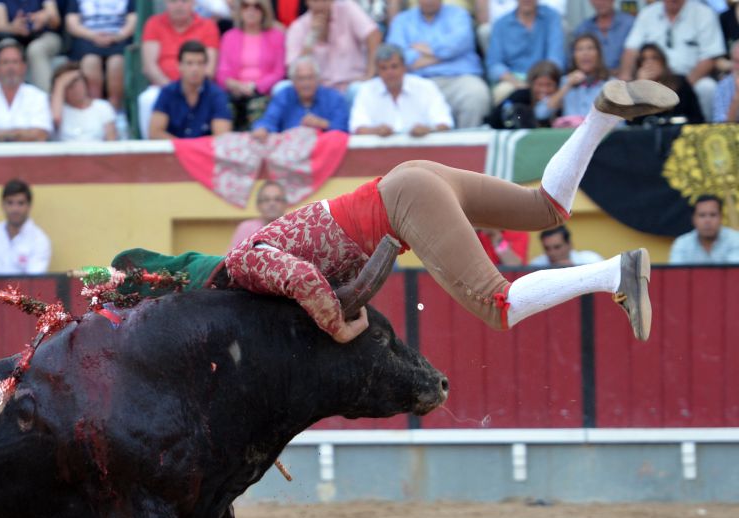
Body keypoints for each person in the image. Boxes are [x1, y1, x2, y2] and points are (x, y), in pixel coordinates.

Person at [223, 78, 678, 344]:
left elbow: (306, 282)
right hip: (409, 182)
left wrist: (338, 327)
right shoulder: (263, 268)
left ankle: (613, 273)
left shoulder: (240, 264)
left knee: (500, 305)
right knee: (546, 208)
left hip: (404, 203)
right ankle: (601, 114)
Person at [385, 0, 490, 129]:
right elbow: (398, 55)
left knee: (476, 93)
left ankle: (468, 146)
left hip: (456, 79)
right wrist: (445, 55)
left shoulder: (459, 14)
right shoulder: (401, 20)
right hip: (416, 81)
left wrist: (424, 51)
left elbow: (459, 43)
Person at [618, 0, 725, 123]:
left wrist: (682, 87)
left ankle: (704, 134)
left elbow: (710, 56)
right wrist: (626, 79)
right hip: (651, 79)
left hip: (691, 79)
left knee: (707, 87)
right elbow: (631, 50)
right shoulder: (648, 13)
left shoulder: (704, 13)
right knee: (619, 89)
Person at [137, 0, 219, 141]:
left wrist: (186, 89)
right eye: (174, 1)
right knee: (146, 99)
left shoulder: (208, 26)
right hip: (163, 87)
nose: (179, 6)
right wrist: (173, 90)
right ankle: (150, 152)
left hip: (199, 88)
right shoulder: (154, 23)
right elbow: (149, 66)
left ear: (193, 3)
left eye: (184, 1)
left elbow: (209, 69)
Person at [349, 44, 454, 136]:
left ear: (404, 67)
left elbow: (445, 124)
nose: (389, 72)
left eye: (394, 67)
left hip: (422, 154)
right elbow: (357, 127)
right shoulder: (366, 90)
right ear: (377, 71)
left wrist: (427, 130)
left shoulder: (426, 87)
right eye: (383, 68)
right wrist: (375, 131)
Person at [214, 0, 285, 131]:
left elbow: (279, 72)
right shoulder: (229, 37)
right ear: (240, 10)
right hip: (235, 91)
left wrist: (255, 86)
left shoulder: (276, 36)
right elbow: (222, 72)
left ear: (264, 11)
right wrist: (234, 84)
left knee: (257, 106)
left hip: (263, 92)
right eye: (246, 6)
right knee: (223, 106)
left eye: (257, 6)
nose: (251, 11)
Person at [284, 0, 381, 93]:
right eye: (315, 0)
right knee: (282, 87)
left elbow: (373, 35)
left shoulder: (347, 9)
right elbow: (293, 69)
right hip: (316, 91)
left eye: (324, 0)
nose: (320, 5)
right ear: (306, 1)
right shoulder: (298, 27)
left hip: (350, 85)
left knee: (359, 89)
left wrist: (370, 73)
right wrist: (311, 39)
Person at [0, 39, 52, 142]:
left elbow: (40, 135)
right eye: (5, 62)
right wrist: (21, 133)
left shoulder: (38, 97)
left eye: (15, 62)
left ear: (24, 66)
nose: (10, 68)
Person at [486, 0, 565, 105]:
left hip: (545, 77)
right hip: (513, 79)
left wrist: (540, 82)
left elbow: (556, 58)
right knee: (502, 92)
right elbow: (494, 64)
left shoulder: (552, 17)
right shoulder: (501, 24)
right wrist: (517, 83)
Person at [0, 178, 52, 276]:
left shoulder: (39, 240)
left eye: (20, 203)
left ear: (29, 206)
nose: (15, 209)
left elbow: (32, 283)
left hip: (23, 291)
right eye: (10, 203)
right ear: (2, 205)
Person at [250, 55, 349, 137]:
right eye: (300, 79)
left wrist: (323, 124)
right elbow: (269, 120)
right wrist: (263, 129)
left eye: (310, 78)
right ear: (292, 81)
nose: (306, 83)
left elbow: (343, 128)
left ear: (318, 79)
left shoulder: (333, 98)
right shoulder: (284, 96)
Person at [149, 39, 231, 139]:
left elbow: (221, 136)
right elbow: (155, 133)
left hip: (204, 153)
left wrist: (189, 150)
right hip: (174, 153)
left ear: (205, 66)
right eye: (189, 63)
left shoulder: (217, 95)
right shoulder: (168, 92)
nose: (195, 69)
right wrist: (185, 149)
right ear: (179, 66)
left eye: (200, 63)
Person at [64, 0, 136, 111]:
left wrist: (117, 36)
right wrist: (93, 36)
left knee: (117, 63)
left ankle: (115, 111)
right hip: (87, 38)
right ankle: (96, 111)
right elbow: (71, 23)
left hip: (118, 39)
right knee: (90, 62)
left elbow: (133, 20)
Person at [536, 34, 610, 127]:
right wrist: (567, 86)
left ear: (599, 54)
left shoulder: (611, 84)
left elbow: (620, 123)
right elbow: (541, 113)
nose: (585, 53)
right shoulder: (565, 81)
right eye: (579, 49)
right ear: (574, 56)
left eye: (590, 48)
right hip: (570, 136)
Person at [0, 0, 63, 92]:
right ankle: (6, 100)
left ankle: (46, 99)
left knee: (36, 49)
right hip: (14, 37)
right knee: (8, 51)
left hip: (44, 36)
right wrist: (14, 27)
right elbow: (0, 26)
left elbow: (56, 21)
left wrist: (44, 17)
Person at [628, 42, 703, 124]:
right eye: (644, 59)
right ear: (639, 65)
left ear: (663, 62)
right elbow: (632, 125)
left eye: (654, 58)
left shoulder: (680, 83)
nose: (649, 63)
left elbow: (697, 119)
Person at [50, 61, 118, 141]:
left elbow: (111, 140)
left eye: (77, 81)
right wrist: (60, 83)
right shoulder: (58, 109)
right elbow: (56, 119)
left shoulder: (102, 107)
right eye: (68, 85)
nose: (74, 88)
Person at [486, 59, 561, 129]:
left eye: (549, 85)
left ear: (557, 85)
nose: (544, 89)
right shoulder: (521, 96)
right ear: (531, 84)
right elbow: (495, 118)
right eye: (539, 84)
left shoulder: (562, 98)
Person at [668, 195, 739, 264]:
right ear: (693, 219)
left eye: (713, 215)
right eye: (702, 215)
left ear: (721, 218)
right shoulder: (682, 244)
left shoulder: (735, 240)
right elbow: (676, 274)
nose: (707, 221)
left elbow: (734, 273)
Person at [573, 0, 635, 72]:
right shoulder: (582, 28)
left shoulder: (629, 23)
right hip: (594, 79)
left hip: (625, 78)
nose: (600, 2)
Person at [228, 180, 287, 249]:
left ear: (285, 204)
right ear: (258, 205)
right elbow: (231, 257)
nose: (272, 204)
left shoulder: (294, 229)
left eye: (277, 199)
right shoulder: (246, 228)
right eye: (266, 199)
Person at [528, 225, 604, 266]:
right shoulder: (535, 265)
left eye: (557, 247)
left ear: (570, 245)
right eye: (547, 248)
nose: (552, 253)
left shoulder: (591, 260)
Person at [712, 40, 739, 122]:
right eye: (736, 61)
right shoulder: (723, 86)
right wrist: (737, 97)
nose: (738, 67)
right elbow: (722, 126)